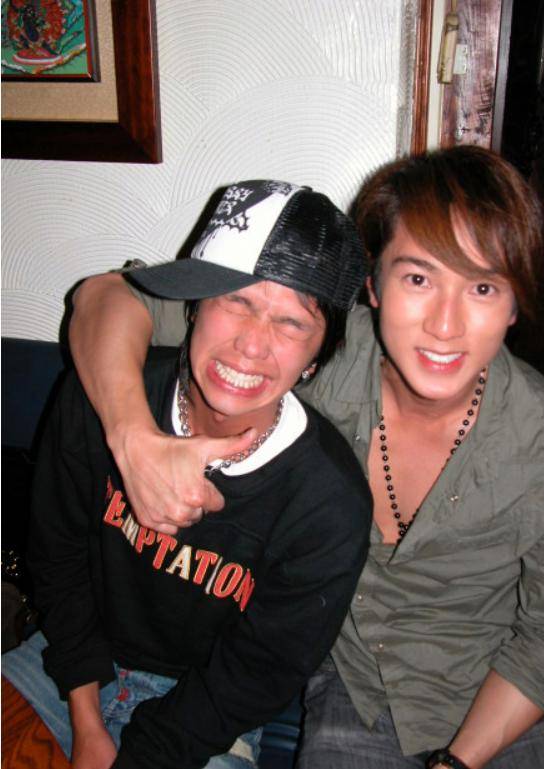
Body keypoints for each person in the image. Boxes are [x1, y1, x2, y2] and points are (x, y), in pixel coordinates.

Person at [66, 147, 544, 769]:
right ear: (373, 284)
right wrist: (133, 439)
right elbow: (104, 297)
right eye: (419, 279)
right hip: (353, 693)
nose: (445, 325)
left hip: (501, 703)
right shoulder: (307, 345)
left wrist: (455, 764)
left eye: (482, 288)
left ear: (514, 306)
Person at [2, 180, 373, 769]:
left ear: (316, 358)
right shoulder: (101, 399)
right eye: (236, 301)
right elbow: (58, 557)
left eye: (291, 323)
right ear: (193, 305)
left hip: (202, 713)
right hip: (67, 665)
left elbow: (257, 673)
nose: (252, 345)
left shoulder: (329, 500)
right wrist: (87, 722)